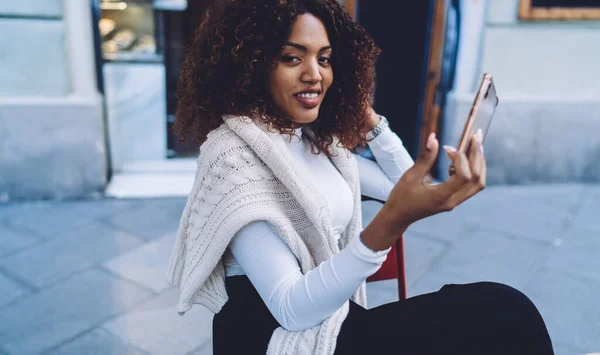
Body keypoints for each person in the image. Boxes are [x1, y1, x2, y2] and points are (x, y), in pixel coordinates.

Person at [165, 0, 555, 354]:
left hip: (332, 316)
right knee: (501, 314)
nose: (313, 75)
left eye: (325, 59)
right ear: (251, 65)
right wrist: (387, 225)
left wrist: (371, 121)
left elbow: (405, 187)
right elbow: (291, 308)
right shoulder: (234, 158)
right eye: (291, 58)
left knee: (502, 311)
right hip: (275, 338)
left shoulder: (315, 141)